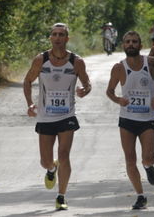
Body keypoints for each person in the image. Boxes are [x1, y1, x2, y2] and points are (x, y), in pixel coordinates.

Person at [23, 23, 91, 210]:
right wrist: (29, 103)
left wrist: (84, 90)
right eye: (54, 34)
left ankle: (61, 196)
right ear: (50, 38)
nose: (58, 37)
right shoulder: (40, 60)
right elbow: (28, 81)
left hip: (66, 116)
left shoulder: (77, 62)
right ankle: (51, 169)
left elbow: (87, 83)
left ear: (67, 38)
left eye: (61, 34)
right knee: (45, 161)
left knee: (64, 155)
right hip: (45, 116)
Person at [106, 31, 154, 210]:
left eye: (134, 41)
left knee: (148, 157)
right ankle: (140, 196)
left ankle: (149, 166)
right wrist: (118, 100)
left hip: (147, 118)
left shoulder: (150, 63)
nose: (131, 44)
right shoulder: (119, 68)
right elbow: (109, 91)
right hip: (127, 119)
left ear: (140, 46)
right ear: (123, 46)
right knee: (129, 159)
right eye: (128, 42)